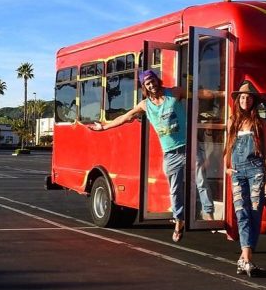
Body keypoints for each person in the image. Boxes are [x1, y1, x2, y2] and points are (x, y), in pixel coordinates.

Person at [89, 69, 215, 242]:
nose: (151, 84)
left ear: (157, 80)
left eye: (153, 80)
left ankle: (208, 214)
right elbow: (126, 117)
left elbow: (198, 94)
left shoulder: (174, 92)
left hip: (189, 147)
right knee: (175, 190)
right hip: (170, 154)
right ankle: (179, 221)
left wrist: (222, 93)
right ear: (145, 87)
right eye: (147, 83)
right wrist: (105, 127)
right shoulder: (145, 105)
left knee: (201, 180)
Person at [224, 80, 266, 277]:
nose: (245, 99)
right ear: (238, 100)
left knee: (254, 213)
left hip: (256, 171)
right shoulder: (232, 121)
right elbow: (227, 147)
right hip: (237, 173)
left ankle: (245, 258)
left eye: (248, 97)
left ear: (253, 101)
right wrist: (225, 167)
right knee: (241, 213)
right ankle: (247, 259)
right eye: (242, 97)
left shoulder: (261, 124)